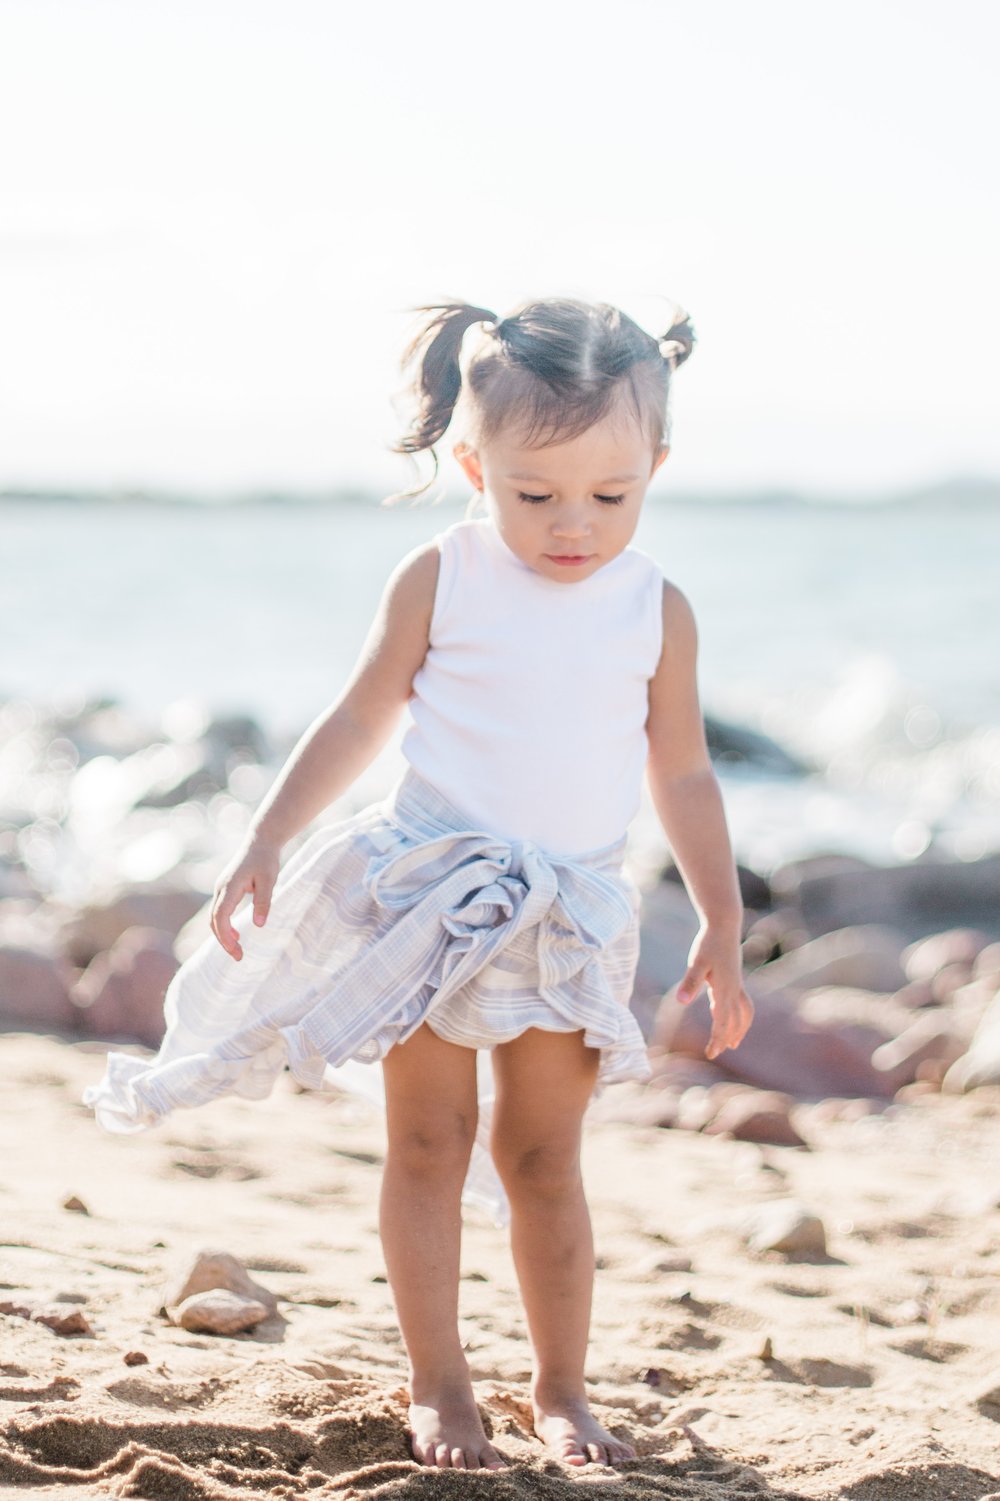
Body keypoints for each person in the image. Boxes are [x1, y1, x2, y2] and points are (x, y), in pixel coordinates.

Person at [84, 295, 754, 1472]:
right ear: (470, 461)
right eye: (532, 493)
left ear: (656, 462)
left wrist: (722, 915)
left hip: (564, 910)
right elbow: (358, 717)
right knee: (430, 1141)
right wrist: (266, 837)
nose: (571, 526)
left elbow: (683, 771)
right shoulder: (440, 576)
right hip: (427, 894)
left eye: (610, 494)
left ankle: (559, 1386)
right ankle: (441, 1386)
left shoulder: (657, 607)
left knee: (545, 1157)